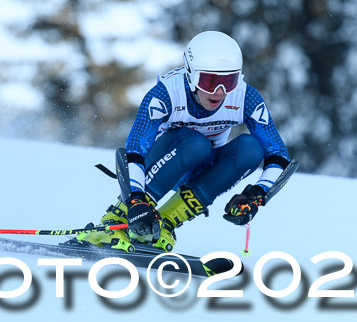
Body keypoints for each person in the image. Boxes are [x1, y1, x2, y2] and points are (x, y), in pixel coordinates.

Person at [76, 30, 292, 252]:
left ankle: (166, 221)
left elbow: (278, 156)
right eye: (210, 81)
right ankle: (116, 220)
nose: (220, 92)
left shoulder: (245, 96)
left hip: (201, 169)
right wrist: (135, 198)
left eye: (229, 81)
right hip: (158, 164)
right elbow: (135, 150)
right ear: (191, 74)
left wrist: (255, 195)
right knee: (196, 143)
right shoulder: (168, 93)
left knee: (251, 148)